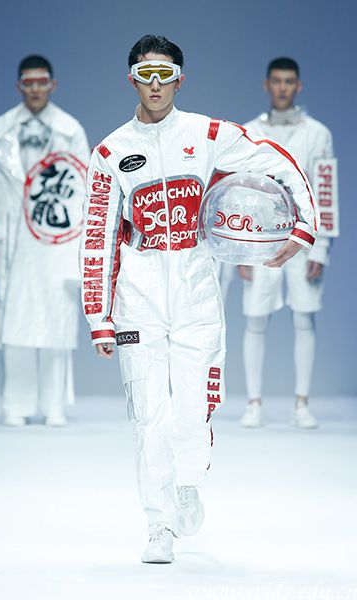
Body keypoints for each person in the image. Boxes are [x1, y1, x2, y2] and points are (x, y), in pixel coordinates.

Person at [79, 36, 319, 563]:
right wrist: (98, 314)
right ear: (131, 79)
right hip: (138, 295)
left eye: (165, 74)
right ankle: (158, 523)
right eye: (146, 74)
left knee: (192, 412)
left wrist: (305, 226)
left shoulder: (208, 135)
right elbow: (97, 236)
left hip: (196, 291)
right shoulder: (110, 152)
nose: (156, 85)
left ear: (180, 80)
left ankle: (188, 481)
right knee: (149, 416)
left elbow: (278, 159)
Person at [0, 55, 89, 427]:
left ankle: (54, 405)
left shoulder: (71, 130)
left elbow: (85, 192)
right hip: (13, 241)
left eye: (42, 82)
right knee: (15, 323)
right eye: (29, 83)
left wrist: (80, 252)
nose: (36, 89)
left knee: (57, 321)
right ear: (19, 86)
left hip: (56, 240)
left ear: (53, 85)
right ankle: (16, 404)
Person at [238, 57, 337, 429]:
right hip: (260, 238)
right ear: (267, 85)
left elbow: (325, 192)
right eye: (277, 81)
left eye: (289, 81)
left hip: (304, 238)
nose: (282, 87)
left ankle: (301, 403)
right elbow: (239, 191)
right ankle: (254, 403)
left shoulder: (318, 134)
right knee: (255, 318)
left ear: (298, 86)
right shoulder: (249, 132)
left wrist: (321, 247)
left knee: (304, 316)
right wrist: (241, 250)